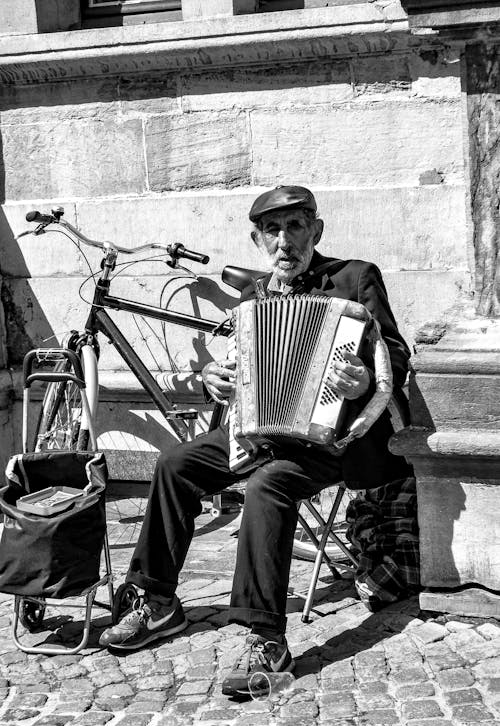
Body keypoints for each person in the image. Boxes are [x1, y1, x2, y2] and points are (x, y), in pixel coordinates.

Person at [99, 185, 411, 696]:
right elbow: (243, 372)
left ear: (316, 230)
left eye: (294, 227)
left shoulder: (354, 278)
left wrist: (364, 383)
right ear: (258, 238)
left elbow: (395, 357)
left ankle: (266, 638)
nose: (284, 240)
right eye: (273, 230)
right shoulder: (254, 297)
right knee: (174, 463)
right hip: (259, 431)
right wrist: (214, 379)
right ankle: (157, 601)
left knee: (268, 486)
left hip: (331, 439)